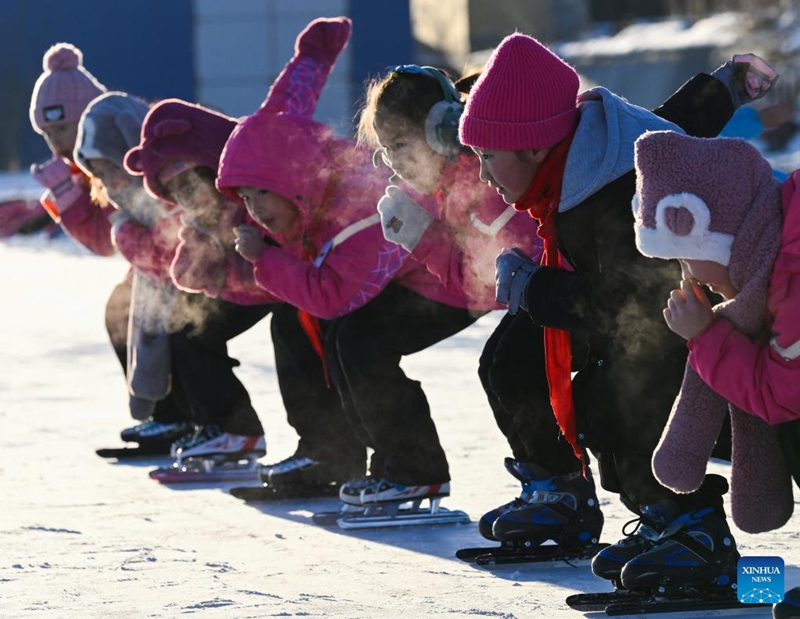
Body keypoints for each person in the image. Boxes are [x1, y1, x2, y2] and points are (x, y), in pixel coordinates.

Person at [456, 32, 778, 592]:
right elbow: (671, 121)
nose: (482, 175)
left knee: (617, 393)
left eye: (487, 157)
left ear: (534, 147)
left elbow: (633, 307)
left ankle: (691, 525)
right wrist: (724, 87)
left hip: (695, 316)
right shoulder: (586, 148)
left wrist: (537, 289)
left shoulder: (618, 190)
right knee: (510, 358)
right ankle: (562, 493)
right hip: (637, 306)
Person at [354, 64, 605, 546]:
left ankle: (565, 492)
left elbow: (494, 276)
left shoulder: (483, 177)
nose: (394, 162)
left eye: (401, 146)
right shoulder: (448, 177)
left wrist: (425, 239)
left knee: (511, 367)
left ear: (444, 130)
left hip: (576, 289)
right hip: (548, 289)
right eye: (385, 151)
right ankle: (551, 486)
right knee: (499, 366)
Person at [125, 17, 368, 491]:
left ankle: (329, 451)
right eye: (176, 190)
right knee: (188, 327)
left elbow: (288, 102)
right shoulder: (199, 216)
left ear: (210, 158)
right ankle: (231, 429)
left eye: (192, 179)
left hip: (312, 267)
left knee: (296, 333)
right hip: (266, 276)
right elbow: (190, 275)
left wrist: (315, 56)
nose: (191, 195)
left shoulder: (258, 144)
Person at [216, 81, 478, 511]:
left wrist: (264, 259)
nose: (255, 207)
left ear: (292, 179)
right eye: (246, 196)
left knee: (361, 339)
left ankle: (413, 471)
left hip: (456, 278)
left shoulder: (359, 213)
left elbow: (334, 296)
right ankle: (328, 453)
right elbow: (285, 105)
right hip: (417, 272)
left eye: (263, 191)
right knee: (296, 322)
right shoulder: (313, 197)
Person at [630, 130, 800, 617]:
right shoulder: (777, 249)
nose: (688, 274)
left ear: (718, 229)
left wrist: (707, 336)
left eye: (686, 254)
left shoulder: (791, 272)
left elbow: (780, 394)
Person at [74, 91, 267, 466]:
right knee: (131, 308)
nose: (109, 182)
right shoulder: (137, 193)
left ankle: (230, 427)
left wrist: (125, 234)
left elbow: (167, 258)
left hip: (247, 273)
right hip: (217, 274)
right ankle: (185, 418)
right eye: (98, 175)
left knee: (186, 327)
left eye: (111, 168)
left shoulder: (168, 184)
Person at [29, 42, 192, 452]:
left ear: (85, 119)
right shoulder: (83, 160)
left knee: (152, 316)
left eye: (61, 129)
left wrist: (68, 193)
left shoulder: (114, 145)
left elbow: (110, 234)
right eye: (46, 133)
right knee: (122, 310)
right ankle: (167, 414)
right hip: (154, 255)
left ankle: (179, 417)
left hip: (183, 252)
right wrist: (66, 193)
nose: (55, 143)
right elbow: (106, 238)